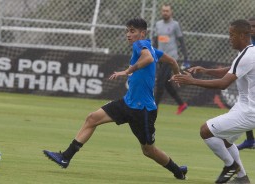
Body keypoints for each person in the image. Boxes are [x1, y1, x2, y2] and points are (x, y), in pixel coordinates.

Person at [43, 17, 187, 180]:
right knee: (92, 118)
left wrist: (128, 71)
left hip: (143, 111)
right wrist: (177, 75)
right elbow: (172, 61)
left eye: (132, 31)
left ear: (142, 33)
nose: (128, 34)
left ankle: (178, 171)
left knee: (149, 150)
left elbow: (147, 59)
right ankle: (65, 157)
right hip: (128, 103)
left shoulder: (140, 45)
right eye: (127, 31)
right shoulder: (153, 49)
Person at [172, 19, 254, 183]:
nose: (229, 38)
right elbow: (231, 70)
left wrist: (192, 81)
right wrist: (206, 71)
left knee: (206, 130)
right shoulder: (247, 53)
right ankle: (242, 178)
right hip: (243, 107)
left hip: (249, 111)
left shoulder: (247, 55)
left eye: (232, 35)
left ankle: (231, 166)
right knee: (225, 139)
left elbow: (224, 83)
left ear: (244, 35)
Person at [154, 3, 189, 115]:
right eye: (163, 10)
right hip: (160, 58)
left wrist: (186, 57)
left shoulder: (175, 25)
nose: (165, 13)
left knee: (160, 82)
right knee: (166, 83)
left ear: (171, 12)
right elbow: (156, 40)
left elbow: (181, 41)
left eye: (167, 11)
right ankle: (181, 104)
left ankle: (153, 108)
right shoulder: (158, 24)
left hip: (170, 58)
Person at [236, 16, 255, 150]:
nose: (251, 29)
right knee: (245, 103)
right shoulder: (248, 43)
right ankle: (249, 140)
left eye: (253, 27)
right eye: (250, 27)